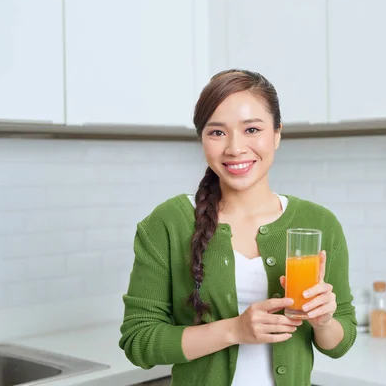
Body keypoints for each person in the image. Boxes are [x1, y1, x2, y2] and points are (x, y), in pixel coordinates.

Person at [119, 69, 357, 385]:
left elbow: (341, 342)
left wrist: (324, 321)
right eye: (217, 132)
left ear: (277, 133)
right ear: (202, 139)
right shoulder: (168, 223)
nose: (234, 148)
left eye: (252, 129)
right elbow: (139, 342)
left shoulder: (318, 224)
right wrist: (234, 330)